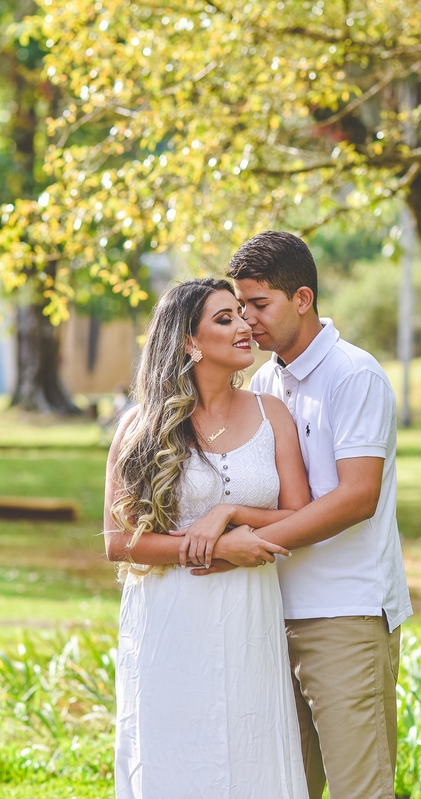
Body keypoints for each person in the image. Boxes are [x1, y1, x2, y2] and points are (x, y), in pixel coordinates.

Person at [221, 231, 412, 799]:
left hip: (345, 614)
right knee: (284, 785)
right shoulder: (263, 382)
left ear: (302, 298)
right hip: (272, 609)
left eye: (260, 304)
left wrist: (256, 541)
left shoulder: (354, 375)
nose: (247, 320)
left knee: (360, 788)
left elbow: (357, 497)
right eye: (240, 306)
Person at [103, 278, 311, 799]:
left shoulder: (272, 415)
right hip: (169, 616)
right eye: (225, 319)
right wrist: (219, 547)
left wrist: (232, 513)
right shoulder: (140, 427)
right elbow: (118, 541)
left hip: (248, 615)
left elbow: (300, 514)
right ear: (189, 343)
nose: (245, 326)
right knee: (175, 756)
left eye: (242, 314)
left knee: (249, 751)